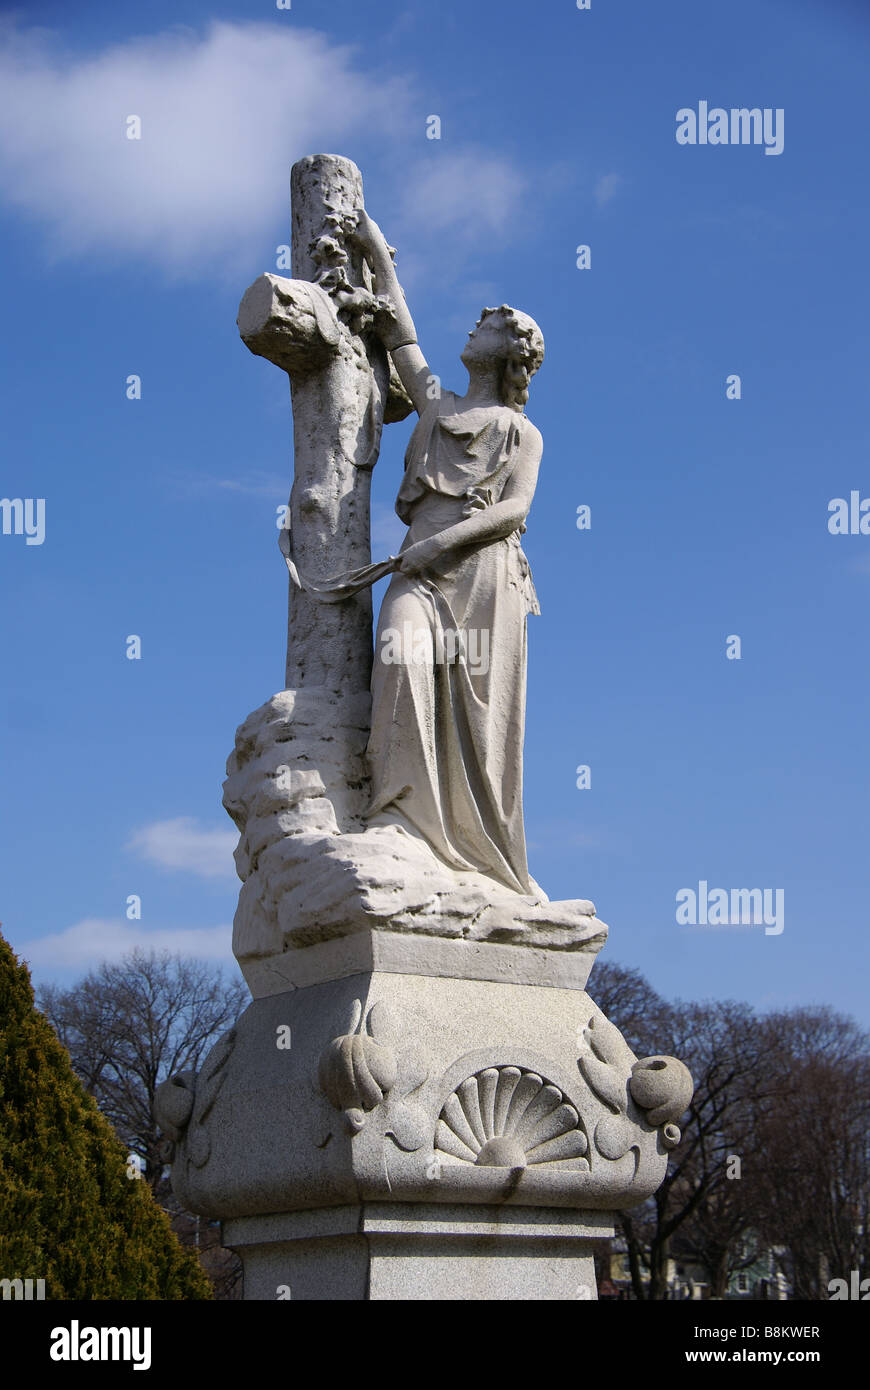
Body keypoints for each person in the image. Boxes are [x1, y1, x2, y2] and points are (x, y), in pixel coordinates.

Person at [349, 210, 545, 895]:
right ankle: (401, 819)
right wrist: (378, 255)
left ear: (515, 352)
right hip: (419, 571)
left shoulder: (521, 432)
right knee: (399, 655)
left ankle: (477, 850)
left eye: (494, 320)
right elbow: (402, 340)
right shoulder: (436, 406)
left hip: (483, 578)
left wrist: (441, 543)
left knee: (479, 723)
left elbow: (514, 510)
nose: (479, 318)